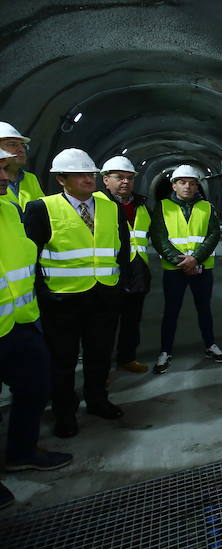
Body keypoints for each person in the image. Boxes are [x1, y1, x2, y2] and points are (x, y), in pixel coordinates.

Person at [23, 148, 130, 439]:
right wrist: (42, 294)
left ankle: (97, 400)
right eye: (80, 174)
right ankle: (65, 413)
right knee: (63, 360)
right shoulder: (41, 208)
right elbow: (29, 256)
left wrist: (120, 286)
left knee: (99, 354)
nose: (87, 179)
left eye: (90, 174)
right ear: (61, 179)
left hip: (104, 296)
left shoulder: (110, 206)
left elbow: (123, 248)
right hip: (62, 299)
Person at [0, 147, 73, 509]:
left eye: (6, 169)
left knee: (34, 388)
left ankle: (21, 451)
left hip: (20, 323)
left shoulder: (9, 212)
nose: (6, 177)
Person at [149, 164, 222, 373]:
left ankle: (210, 345)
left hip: (202, 268)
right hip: (174, 270)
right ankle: (165, 351)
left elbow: (213, 235)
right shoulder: (163, 207)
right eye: (182, 182)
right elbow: (158, 237)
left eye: (192, 183)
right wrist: (181, 261)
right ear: (174, 185)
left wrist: (196, 258)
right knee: (171, 311)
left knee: (204, 309)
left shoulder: (207, 207)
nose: (188, 187)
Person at [101, 156, 152, 374]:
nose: (125, 182)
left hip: (137, 271)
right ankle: (101, 368)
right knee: (104, 327)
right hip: (109, 273)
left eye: (129, 178)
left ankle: (127, 357)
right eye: (119, 177)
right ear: (105, 180)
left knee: (132, 321)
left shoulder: (140, 204)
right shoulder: (97, 203)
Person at [0, 122, 43, 210]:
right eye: (12, 144)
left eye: (23, 146)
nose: (21, 150)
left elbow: (42, 211)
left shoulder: (31, 178)